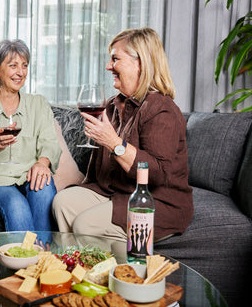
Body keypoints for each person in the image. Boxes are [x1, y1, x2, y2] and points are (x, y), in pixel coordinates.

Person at [52, 27, 193, 242]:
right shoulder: (113, 104)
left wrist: (112, 142)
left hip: (157, 202)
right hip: (116, 193)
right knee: (63, 202)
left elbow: (157, 174)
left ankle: (108, 271)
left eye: (115, 59)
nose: (108, 66)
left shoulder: (162, 110)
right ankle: (77, 266)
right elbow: (100, 168)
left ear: (140, 63)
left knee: (85, 224)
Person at [0, 39, 61, 232]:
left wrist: (42, 163)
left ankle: (43, 261)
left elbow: (50, 142)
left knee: (45, 192)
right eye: (13, 65)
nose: (21, 72)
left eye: (24, 66)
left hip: (28, 175)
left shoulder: (38, 103)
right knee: (17, 205)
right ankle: (23, 261)